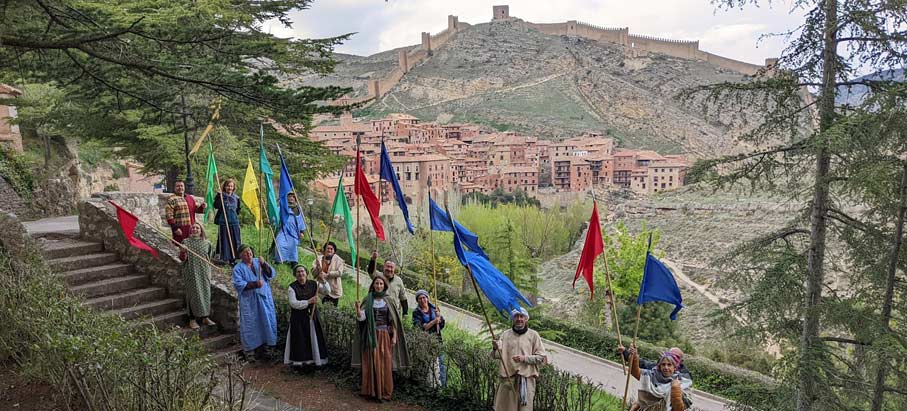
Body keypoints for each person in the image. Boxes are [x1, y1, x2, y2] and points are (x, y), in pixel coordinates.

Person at [352, 275, 410, 401]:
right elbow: (362, 319)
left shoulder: (388, 300)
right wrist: (358, 310)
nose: (378, 286)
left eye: (381, 284)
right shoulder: (368, 299)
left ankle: (384, 392)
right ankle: (370, 391)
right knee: (370, 362)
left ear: (384, 286)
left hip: (384, 336)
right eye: (376, 283)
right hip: (370, 335)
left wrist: (394, 337)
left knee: (385, 363)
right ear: (373, 285)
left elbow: (393, 320)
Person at [492, 307, 547, 411]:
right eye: (516, 316)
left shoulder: (533, 335)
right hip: (508, 380)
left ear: (526, 319)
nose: (519, 319)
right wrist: (495, 348)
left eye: (521, 316)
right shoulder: (505, 334)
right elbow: (497, 355)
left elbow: (541, 357)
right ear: (513, 319)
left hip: (526, 381)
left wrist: (524, 358)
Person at [231, 244, 278, 362]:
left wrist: (264, 264)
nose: (249, 254)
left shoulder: (258, 261)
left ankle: (268, 348)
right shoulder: (238, 268)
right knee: (250, 323)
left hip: (264, 298)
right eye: (246, 253)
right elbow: (238, 284)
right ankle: (250, 351)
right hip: (249, 301)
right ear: (241, 256)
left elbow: (271, 274)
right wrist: (254, 284)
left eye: (250, 252)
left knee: (267, 320)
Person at [618, 345, 693, 410]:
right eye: (663, 364)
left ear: (676, 366)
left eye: (669, 365)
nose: (666, 367)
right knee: (637, 404)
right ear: (659, 366)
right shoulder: (654, 372)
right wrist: (631, 354)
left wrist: (676, 391)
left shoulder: (684, 378)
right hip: (650, 406)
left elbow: (683, 405)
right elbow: (640, 366)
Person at [284, 264, 329, 369]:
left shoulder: (314, 284)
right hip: (298, 319)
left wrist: (323, 281)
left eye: (302, 271)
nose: (300, 274)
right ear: (295, 275)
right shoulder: (292, 287)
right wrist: (309, 301)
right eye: (298, 272)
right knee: (301, 340)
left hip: (312, 317)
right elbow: (293, 303)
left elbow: (327, 291)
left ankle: (315, 362)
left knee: (314, 338)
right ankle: (301, 363)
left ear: (306, 273)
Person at [180, 222, 216, 330]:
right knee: (193, 295)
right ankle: (192, 319)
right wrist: (183, 252)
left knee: (205, 294)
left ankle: (205, 317)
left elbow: (209, 257)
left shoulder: (207, 243)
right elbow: (182, 259)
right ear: (190, 230)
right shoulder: (185, 242)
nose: (195, 229)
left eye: (197, 228)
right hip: (191, 272)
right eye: (193, 228)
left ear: (201, 230)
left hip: (204, 272)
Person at [412, 289, 446, 387]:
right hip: (425, 342)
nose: (423, 300)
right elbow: (420, 328)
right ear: (417, 301)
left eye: (424, 297)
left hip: (437, 340)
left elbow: (441, 325)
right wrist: (434, 321)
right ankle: (428, 386)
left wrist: (440, 319)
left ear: (427, 298)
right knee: (428, 365)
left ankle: (443, 386)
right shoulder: (416, 313)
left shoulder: (434, 309)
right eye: (420, 298)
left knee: (441, 364)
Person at [366, 250, 408, 318]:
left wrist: (405, 313)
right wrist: (373, 259)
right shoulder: (378, 276)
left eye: (391, 267)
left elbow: (403, 298)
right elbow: (370, 271)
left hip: (393, 314)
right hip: (377, 311)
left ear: (394, 269)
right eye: (387, 266)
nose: (389, 269)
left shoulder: (399, 281)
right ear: (384, 266)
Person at [213, 178, 241, 264]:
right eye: (228, 186)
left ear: (233, 187)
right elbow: (216, 206)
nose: (230, 187)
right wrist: (218, 196)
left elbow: (238, 209)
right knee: (225, 239)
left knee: (235, 239)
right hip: (224, 221)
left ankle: (234, 257)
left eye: (231, 186)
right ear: (225, 187)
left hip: (234, 222)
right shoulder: (221, 196)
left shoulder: (236, 198)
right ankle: (224, 257)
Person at [274, 192, 306, 265]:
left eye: (293, 196)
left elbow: (301, 220)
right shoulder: (282, 207)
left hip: (294, 233)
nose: (291, 198)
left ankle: (292, 262)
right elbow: (275, 216)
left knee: (293, 246)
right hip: (283, 231)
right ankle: (278, 261)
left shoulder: (298, 209)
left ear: (295, 199)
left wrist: (302, 232)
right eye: (289, 196)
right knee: (279, 244)